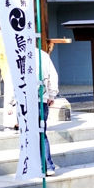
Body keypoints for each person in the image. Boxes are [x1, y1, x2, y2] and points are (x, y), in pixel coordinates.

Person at [39, 45, 60, 175]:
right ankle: (48, 166)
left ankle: (41, 166)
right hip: (43, 99)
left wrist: (11, 102)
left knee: (32, 134)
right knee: (42, 133)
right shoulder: (43, 55)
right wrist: (52, 95)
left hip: (28, 101)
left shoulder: (19, 55)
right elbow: (53, 75)